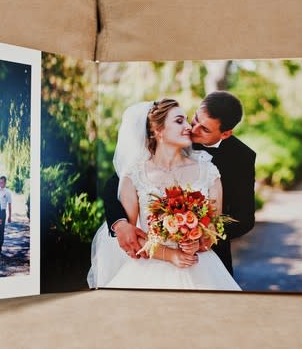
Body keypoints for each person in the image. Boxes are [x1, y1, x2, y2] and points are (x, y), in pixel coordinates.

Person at [88, 99, 241, 290]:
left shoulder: (208, 170)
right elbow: (134, 237)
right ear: (156, 130)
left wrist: (198, 242)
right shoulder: (135, 175)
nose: (189, 127)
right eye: (179, 121)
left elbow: (213, 227)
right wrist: (170, 255)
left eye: (186, 120)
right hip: (148, 269)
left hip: (202, 268)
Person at [0, 175, 13, 255]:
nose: (0, 184)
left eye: (2, 182)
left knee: (1, 231)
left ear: (5, 183)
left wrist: (9, 216)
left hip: (2, 212)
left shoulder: (8, 192)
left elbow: (9, 205)